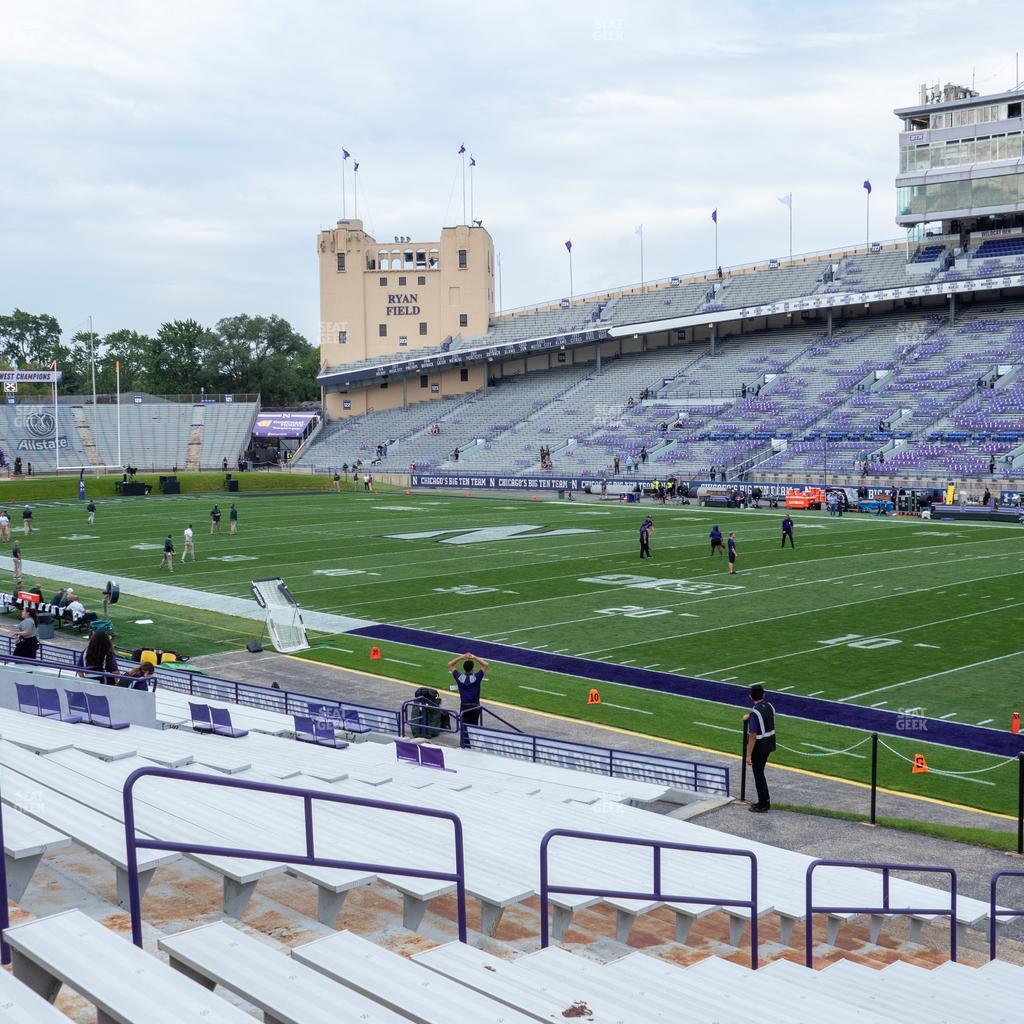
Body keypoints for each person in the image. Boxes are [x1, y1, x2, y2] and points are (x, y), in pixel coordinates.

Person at [744, 684, 777, 812]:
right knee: (760, 772)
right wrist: (751, 716)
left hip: (760, 746)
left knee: (758, 775)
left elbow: (752, 735)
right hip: (770, 743)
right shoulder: (769, 707)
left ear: (750, 697)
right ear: (764, 695)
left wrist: (748, 754)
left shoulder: (755, 712)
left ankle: (763, 803)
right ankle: (764, 801)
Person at [448, 652, 489, 726]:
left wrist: (462, 657)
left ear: (464, 668)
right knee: (474, 729)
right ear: (472, 668)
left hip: (464, 707)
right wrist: (473, 657)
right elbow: (485, 664)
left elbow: (450, 664)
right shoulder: (477, 677)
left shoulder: (459, 678)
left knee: (464, 729)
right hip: (475, 707)